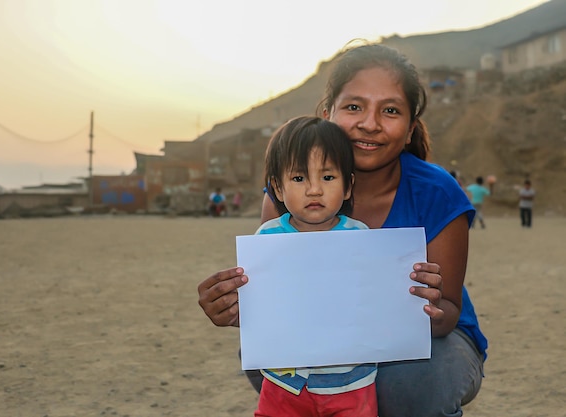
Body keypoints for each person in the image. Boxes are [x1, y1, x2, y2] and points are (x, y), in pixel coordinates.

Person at [198, 43, 487, 417]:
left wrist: (426, 308)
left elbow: (448, 312)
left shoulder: (438, 192)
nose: (370, 123)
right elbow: (279, 295)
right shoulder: (287, 194)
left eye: (391, 110)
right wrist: (235, 306)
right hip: (328, 338)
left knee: (413, 381)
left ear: (410, 127)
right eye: (354, 107)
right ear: (327, 113)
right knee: (267, 360)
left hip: (437, 343)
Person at [252, 115, 376, 417]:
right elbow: (258, 304)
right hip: (283, 382)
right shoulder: (266, 238)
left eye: (328, 177)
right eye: (298, 178)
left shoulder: (361, 237)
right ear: (277, 189)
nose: (314, 190)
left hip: (351, 382)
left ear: (348, 187)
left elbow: (375, 301)